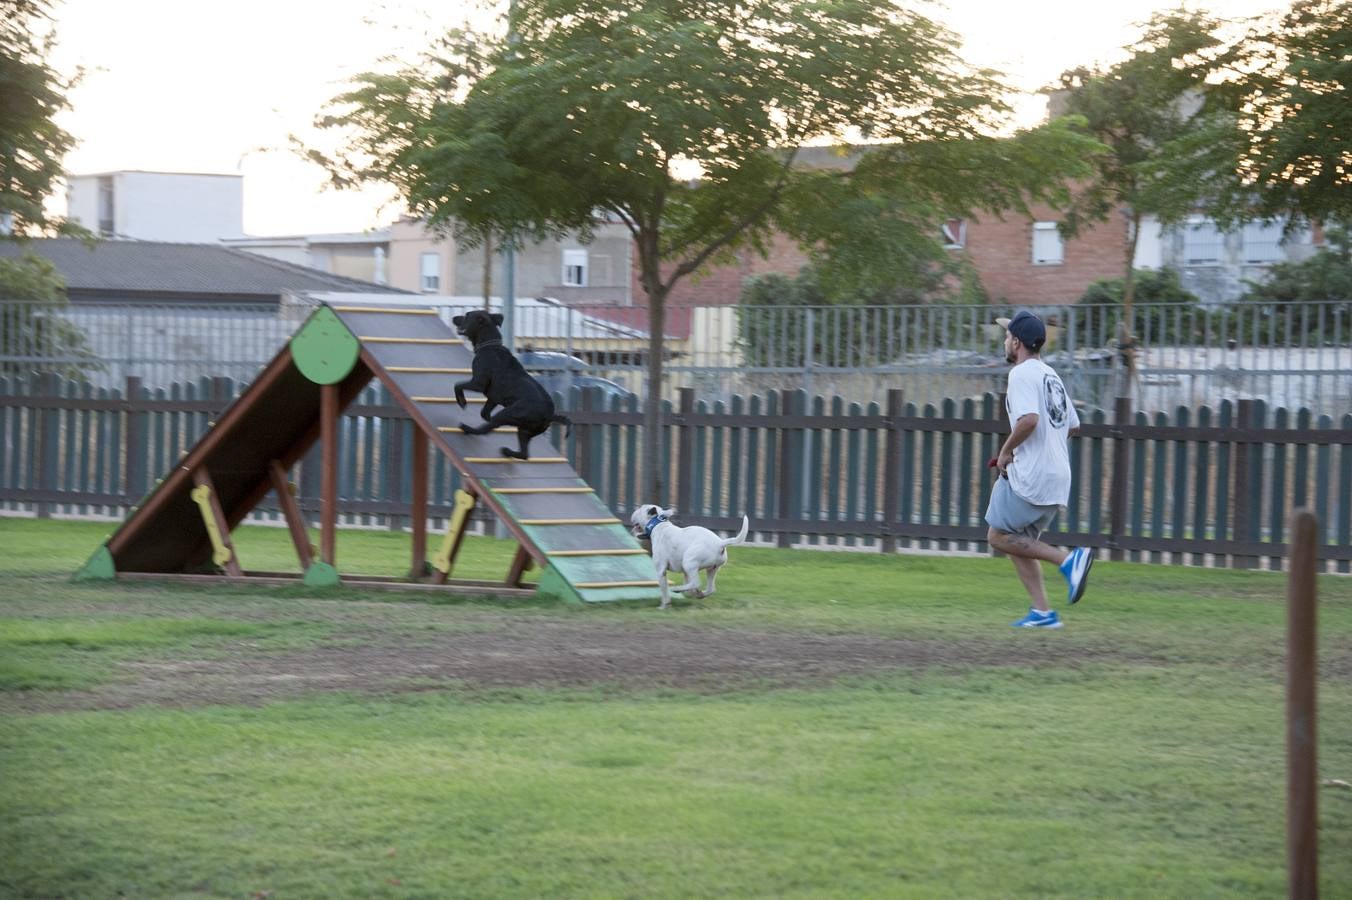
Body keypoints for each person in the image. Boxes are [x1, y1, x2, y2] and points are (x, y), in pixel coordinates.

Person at [986, 310, 1094, 629]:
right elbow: (1073, 425)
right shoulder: (1050, 375)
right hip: (1058, 477)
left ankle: (1069, 561)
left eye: (1007, 336)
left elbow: (1029, 420)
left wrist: (1006, 452)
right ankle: (1043, 613)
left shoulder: (1020, 375)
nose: (1004, 341)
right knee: (1017, 541)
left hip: (1031, 475)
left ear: (1017, 343)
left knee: (997, 536)